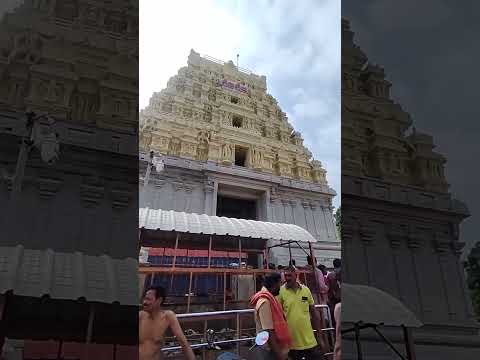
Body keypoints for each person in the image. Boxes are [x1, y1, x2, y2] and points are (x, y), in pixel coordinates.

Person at [277, 266, 323, 360]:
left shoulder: (306, 290)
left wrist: (320, 337)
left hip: (310, 341)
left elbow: (315, 315)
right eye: (286, 276)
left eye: (290, 275)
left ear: (296, 275)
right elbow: (278, 316)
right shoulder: (281, 291)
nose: (287, 278)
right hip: (292, 344)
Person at [139, 286, 195, 360]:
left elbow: (183, 342)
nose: (144, 302)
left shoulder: (167, 317)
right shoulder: (141, 316)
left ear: (159, 300)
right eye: (145, 299)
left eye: (148, 299)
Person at [250, 273, 291, 360]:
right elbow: (268, 331)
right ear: (274, 284)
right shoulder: (265, 302)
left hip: (271, 347)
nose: (280, 287)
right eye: (280, 283)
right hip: (268, 349)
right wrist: (279, 354)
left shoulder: (269, 299)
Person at [327, 259, 341, 327]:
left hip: (334, 300)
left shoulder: (330, 275)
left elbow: (328, 289)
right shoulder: (332, 275)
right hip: (337, 299)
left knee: (335, 319)